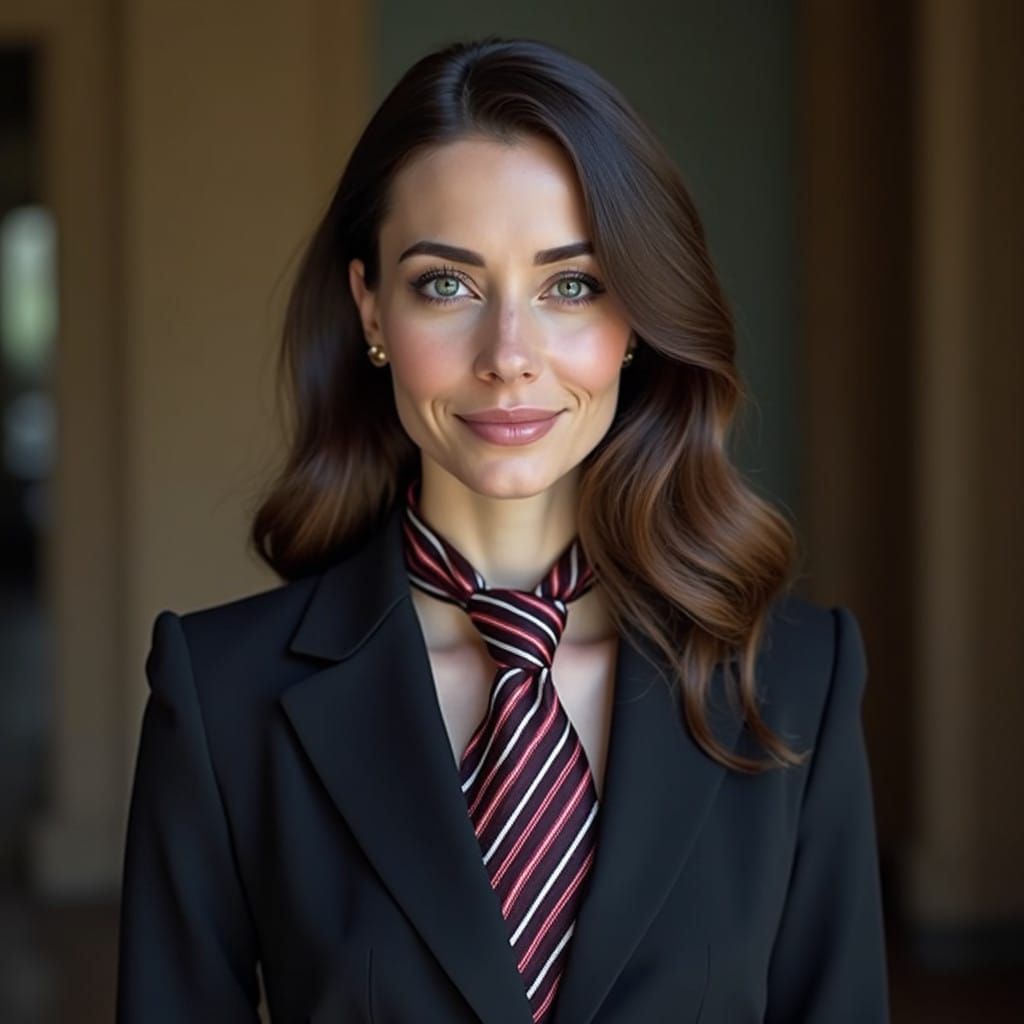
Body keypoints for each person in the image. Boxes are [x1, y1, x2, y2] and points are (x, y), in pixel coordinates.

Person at [115, 35, 890, 1024]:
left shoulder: (797, 678)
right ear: (371, 310)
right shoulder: (221, 696)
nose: (509, 355)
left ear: (638, 318)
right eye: (447, 283)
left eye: (571, 285)